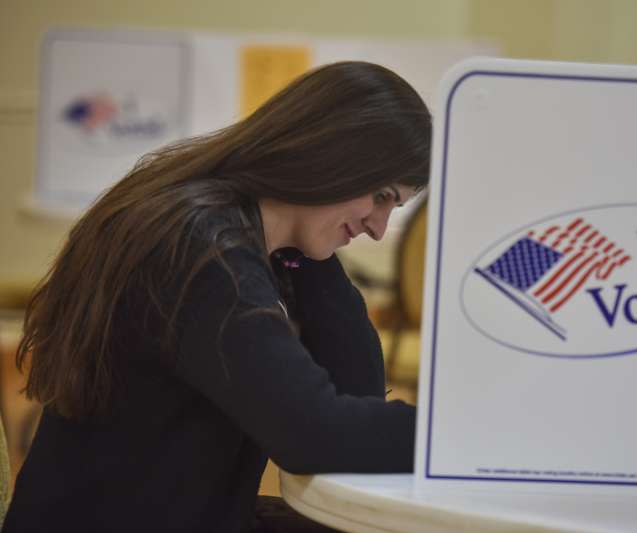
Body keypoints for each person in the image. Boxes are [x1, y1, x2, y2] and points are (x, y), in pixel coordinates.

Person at [3, 61, 431, 532]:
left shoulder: (259, 236)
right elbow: (313, 434)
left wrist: (312, 251)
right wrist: (472, 440)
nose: (378, 227)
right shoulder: (199, 247)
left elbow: (355, 392)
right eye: (381, 196)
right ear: (332, 155)